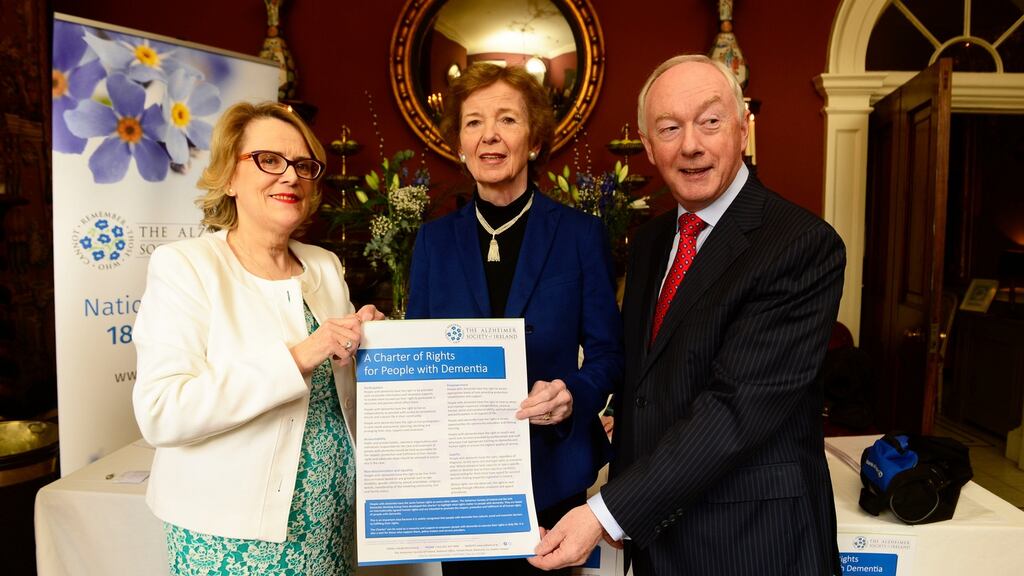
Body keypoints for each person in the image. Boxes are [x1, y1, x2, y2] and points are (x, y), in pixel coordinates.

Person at [530, 54, 845, 575]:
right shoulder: (653, 240)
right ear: (649, 147)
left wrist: (604, 513)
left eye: (710, 121)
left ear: (742, 129)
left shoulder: (800, 245)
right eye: (670, 128)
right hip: (659, 542)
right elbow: (649, 378)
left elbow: (736, 411)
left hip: (754, 547)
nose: (691, 145)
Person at [132, 101, 383, 575]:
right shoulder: (186, 266)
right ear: (229, 177)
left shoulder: (325, 265)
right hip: (230, 537)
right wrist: (300, 356)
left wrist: (366, 344)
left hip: (327, 527)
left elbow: (340, 386)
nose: (291, 176)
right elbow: (162, 412)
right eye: (269, 160)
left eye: (304, 165)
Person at [407, 63, 623, 576]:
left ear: (534, 139)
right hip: (460, 476)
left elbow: (610, 355)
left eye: (507, 119)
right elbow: (418, 359)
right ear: (459, 143)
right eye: (474, 122)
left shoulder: (579, 235)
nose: (490, 136)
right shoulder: (433, 243)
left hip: (552, 470)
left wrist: (573, 394)